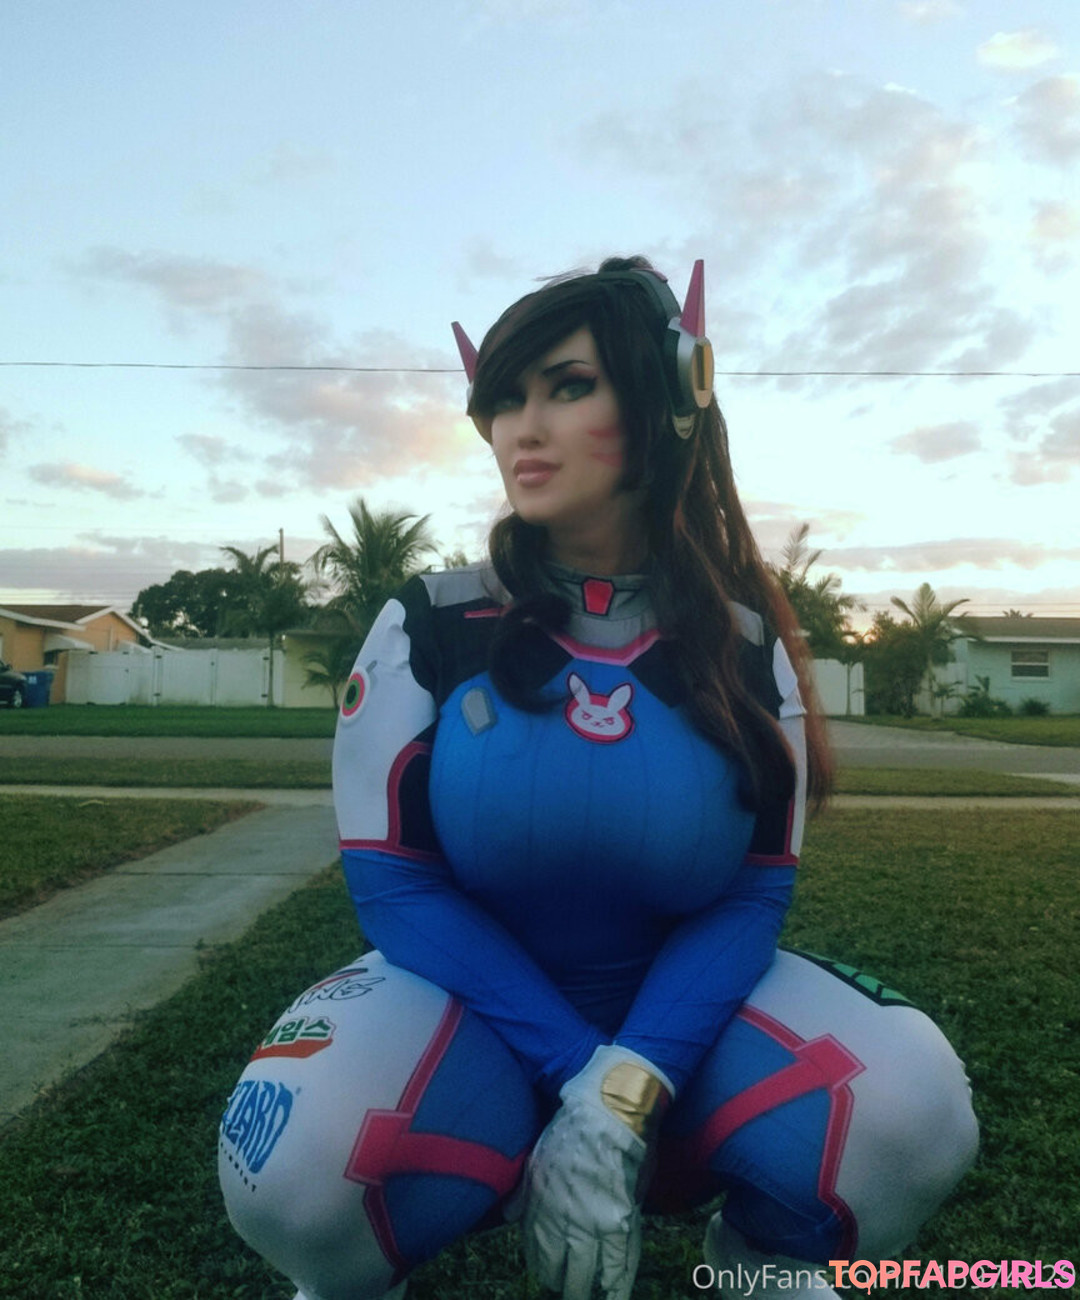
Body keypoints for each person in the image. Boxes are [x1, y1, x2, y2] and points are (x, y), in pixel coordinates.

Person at [218, 258, 978, 1300]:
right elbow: (394, 887)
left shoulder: (745, 644)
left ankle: (759, 1264)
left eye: (570, 387)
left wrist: (630, 1083)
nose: (522, 430)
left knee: (911, 1110)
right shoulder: (429, 623)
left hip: (688, 1024)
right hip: (465, 1011)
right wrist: (581, 1074)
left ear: (667, 402)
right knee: (295, 1172)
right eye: (505, 400)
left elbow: (753, 896)